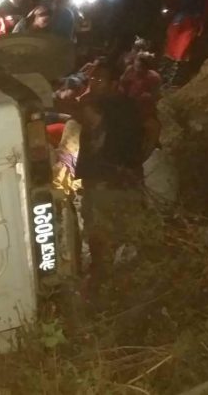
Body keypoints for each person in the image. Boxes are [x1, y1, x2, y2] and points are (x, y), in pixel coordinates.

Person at [74, 62, 144, 297]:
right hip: (125, 180)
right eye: (92, 79)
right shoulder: (130, 106)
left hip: (103, 182)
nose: (93, 84)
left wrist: (81, 102)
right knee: (123, 234)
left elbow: (92, 124)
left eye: (100, 80)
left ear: (114, 84)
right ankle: (120, 285)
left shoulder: (99, 106)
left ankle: (98, 283)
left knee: (98, 233)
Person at [119, 51, 162, 160]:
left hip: (143, 108)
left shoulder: (154, 78)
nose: (139, 68)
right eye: (138, 63)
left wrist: (148, 96)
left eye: (143, 66)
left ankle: (144, 156)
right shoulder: (129, 71)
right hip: (126, 104)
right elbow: (121, 84)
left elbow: (156, 95)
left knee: (154, 128)